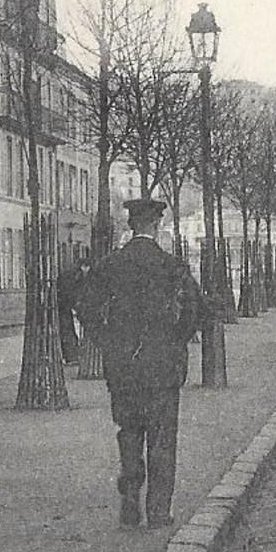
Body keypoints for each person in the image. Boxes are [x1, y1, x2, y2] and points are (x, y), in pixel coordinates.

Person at [76, 199, 204, 529]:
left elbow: (85, 306)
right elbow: (195, 309)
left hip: (123, 367)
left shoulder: (110, 265)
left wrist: (106, 340)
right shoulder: (171, 266)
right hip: (162, 366)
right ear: (156, 225)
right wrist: (176, 338)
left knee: (129, 434)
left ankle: (130, 504)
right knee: (162, 439)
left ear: (132, 225)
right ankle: (159, 512)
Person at [55, 259, 85, 364]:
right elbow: (71, 293)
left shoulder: (71, 273)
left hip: (63, 305)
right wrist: (77, 306)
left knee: (67, 329)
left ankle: (71, 355)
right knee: (66, 329)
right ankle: (71, 356)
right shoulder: (73, 275)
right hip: (62, 305)